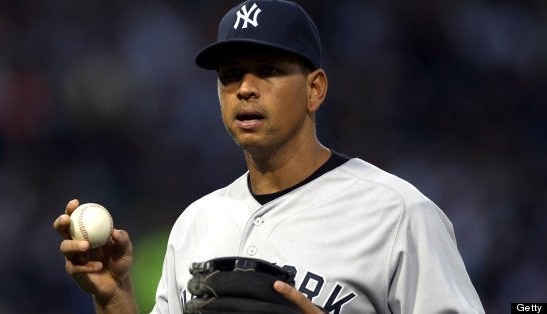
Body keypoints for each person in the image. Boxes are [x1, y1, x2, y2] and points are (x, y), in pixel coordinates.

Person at [54, 1, 485, 313]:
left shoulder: (397, 215)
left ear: (315, 89)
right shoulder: (197, 223)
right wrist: (114, 299)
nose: (245, 87)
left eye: (269, 70)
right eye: (230, 75)